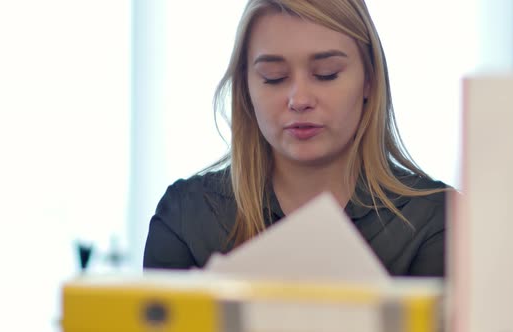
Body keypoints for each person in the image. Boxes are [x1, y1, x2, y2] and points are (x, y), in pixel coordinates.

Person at [143, 0, 451, 277]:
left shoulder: (437, 221)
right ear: (246, 89)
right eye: (274, 77)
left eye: (326, 73)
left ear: (369, 80)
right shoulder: (188, 217)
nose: (299, 99)